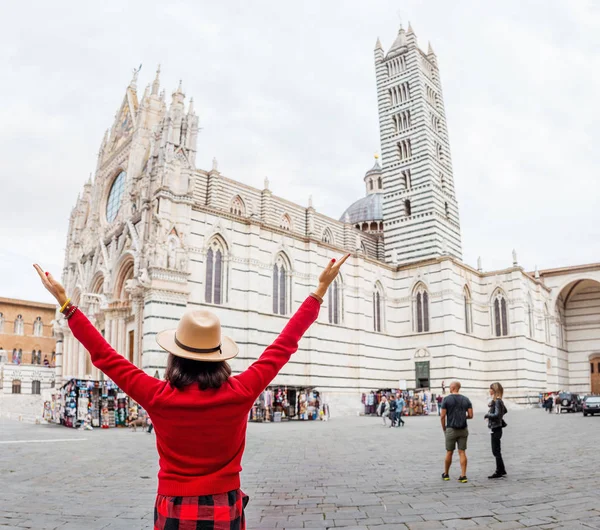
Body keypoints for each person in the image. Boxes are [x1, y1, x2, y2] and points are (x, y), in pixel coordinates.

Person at [34, 255, 349, 529]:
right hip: (225, 504)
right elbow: (283, 345)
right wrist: (319, 292)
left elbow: (104, 355)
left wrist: (67, 304)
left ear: (175, 355)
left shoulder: (158, 397)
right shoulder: (241, 391)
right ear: (219, 354)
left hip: (173, 505)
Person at [440, 381, 473, 483]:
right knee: (462, 452)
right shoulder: (466, 399)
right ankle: (463, 475)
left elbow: (442, 416)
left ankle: (446, 474)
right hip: (463, 429)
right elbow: (471, 415)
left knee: (449, 452)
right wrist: (463, 417)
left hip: (451, 429)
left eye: (450, 386)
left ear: (453, 388)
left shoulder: (446, 399)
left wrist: (444, 428)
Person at [485, 382, 508, 479]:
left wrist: (488, 415)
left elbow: (497, 414)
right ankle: (502, 470)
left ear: (494, 390)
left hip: (495, 428)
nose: (489, 390)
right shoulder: (498, 401)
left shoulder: (497, 401)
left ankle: (499, 471)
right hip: (496, 428)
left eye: (490, 389)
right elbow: (505, 410)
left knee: (496, 451)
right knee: (496, 450)